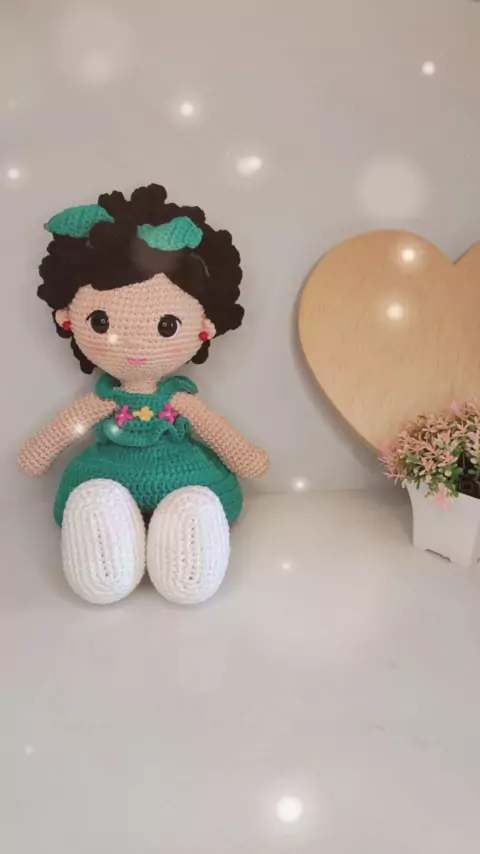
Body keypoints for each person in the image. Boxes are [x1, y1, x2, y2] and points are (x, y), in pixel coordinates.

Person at [18, 184, 268, 605]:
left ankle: (187, 548)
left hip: (181, 475)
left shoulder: (179, 402)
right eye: (100, 322)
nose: (132, 343)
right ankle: (105, 553)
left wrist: (247, 458)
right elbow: (52, 441)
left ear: (204, 326)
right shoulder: (102, 404)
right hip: (109, 471)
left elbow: (228, 444)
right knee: (97, 498)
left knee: (192, 503)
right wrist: (36, 455)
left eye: (167, 326)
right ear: (68, 319)